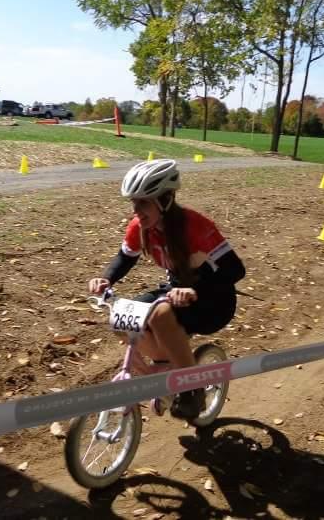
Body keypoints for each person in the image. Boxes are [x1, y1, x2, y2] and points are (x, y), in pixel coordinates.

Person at [88, 160, 246, 420]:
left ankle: (191, 390)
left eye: (143, 202)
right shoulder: (140, 227)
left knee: (160, 315)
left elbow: (235, 271)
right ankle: (165, 366)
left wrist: (194, 289)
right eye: (133, 203)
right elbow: (126, 257)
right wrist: (106, 279)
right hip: (177, 290)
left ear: (166, 199)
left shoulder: (196, 226)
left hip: (214, 299)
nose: (137, 210)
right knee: (121, 316)